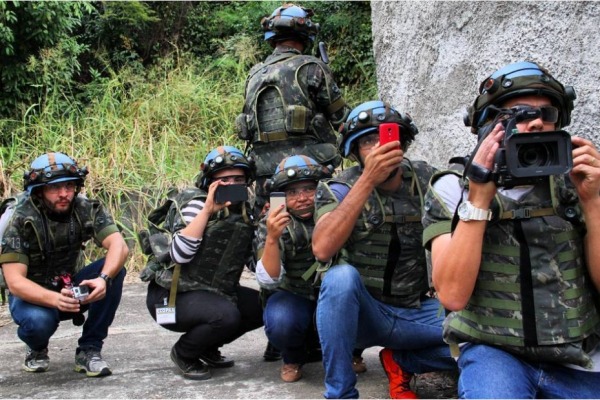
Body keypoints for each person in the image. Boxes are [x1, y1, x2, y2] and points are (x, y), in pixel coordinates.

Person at [422, 61, 600, 398]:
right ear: (488, 126)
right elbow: (453, 295)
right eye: (518, 114)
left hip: (581, 357)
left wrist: (592, 203)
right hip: (496, 352)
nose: (536, 122)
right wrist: (479, 197)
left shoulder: (578, 183)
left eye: (546, 114)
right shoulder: (453, 189)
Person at [311, 101, 457, 399]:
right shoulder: (338, 187)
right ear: (354, 151)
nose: (378, 147)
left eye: (385, 138)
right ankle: (340, 393)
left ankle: (402, 360)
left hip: (415, 312)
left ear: (401, 143)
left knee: (482, 340)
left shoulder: (425, 178)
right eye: (367, 141)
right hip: (364, 314)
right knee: (340, 278)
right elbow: (322, 249)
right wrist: (367, 180)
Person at [0, 152, 128, 377]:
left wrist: (103, 278)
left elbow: (119, 246)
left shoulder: (84, 207)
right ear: (38, 191)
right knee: (39, 323)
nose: (64, 194)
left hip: (69, 286)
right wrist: (54, 299)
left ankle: (89, 349)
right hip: (31, 296)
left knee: (115, 270)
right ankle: (37, 347)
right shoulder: (19, 219)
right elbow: (15, 282)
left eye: (69, 186)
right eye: (54, 188)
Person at [141, 145, 264, 380]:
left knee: (264, 306)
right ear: (210, 182)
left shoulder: (246, 213)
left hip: (212, 291)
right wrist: (207, 211)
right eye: (224, 180)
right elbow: (179, 255)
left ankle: (206, 347)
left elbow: (253, 265)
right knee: (226, 316)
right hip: (172, 295)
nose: (231, 185)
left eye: (238, 179)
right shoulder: (194, 204)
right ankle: (184, 353)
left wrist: (267, 231)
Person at [236, 3, 350, 218]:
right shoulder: (311, 67)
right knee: (321, 228)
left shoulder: (254, 74)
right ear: (305, 34)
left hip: (265, 176)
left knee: (275, 230)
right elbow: (341, 118)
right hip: (308, 174)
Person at [254, 155, 332, 382]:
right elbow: (268, 280)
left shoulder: (335, 211)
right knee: (281, 321)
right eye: (292, 193)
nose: (302, 198)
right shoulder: (271, 222)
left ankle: (350, 352)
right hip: (293, 292)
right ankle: (292, 357)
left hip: (332, 291)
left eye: (309, 189)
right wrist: (272, 237)